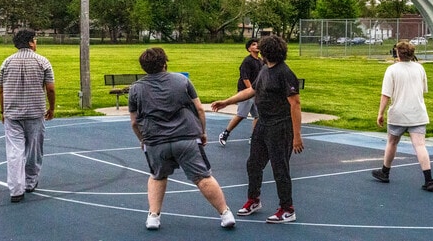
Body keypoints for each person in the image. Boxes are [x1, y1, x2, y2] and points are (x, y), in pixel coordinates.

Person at [128, 47, 235, 230]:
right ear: (165, 63)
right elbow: (200, 109)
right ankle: (225, 213)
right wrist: (202, 132)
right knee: (203, 177)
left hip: (155, 141)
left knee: (157, 176)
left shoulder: (135, 89)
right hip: (186, 137)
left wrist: (142, 139)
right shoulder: (181, 80)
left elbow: (134, 122)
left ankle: (153, 216)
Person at [211, 35, 304, 224]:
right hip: (263, 124)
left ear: (267, 51)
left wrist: (297, 136)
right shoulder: (264, 70)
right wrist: (227, 102)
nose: (259, 50)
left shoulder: (284, 73)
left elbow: (295, 103)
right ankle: (254, 200)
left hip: (280, 126)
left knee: (280, 169)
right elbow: (251, 90)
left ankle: (288, 209)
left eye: (261, 48)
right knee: (253, 164)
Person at [0, 29, 56, 203]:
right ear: (30, 42)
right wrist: (51, 108)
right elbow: (50, 88)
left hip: (13, 113)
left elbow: (2, 90)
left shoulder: (7, 62)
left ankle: (16, 189)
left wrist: (3, 111)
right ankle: (30, 181)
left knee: (14, 151)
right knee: (34, 150)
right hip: (35, 112)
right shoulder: (42, 61)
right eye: (35, 40)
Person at [371, 41, 433, 192]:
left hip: (398, 113)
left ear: (397, 54)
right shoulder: (420, 68)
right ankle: (429, 179)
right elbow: (423, 89)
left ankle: (385, 171)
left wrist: (380, 113)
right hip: (418, 113)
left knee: (392, 142)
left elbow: (386, 94)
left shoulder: (392, 70)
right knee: (420, 145)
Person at [218, 38, 263, 146]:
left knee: (258, 116)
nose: (256, 46)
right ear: (249, 49)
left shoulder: (261, 61)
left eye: (257, 44)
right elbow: (245, 77)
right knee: (241, 115)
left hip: (256, 92)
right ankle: (225, 133)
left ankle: (254, 137)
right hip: (245, 92)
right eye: (253, 44)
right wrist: (251, 91)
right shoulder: (247, 61)